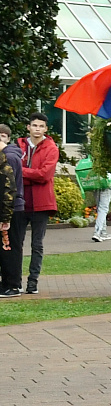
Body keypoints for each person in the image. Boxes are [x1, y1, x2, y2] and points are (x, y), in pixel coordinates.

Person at [7, 114, 58, 296]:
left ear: (45, 129)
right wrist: (29, 173)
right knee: (16, 243)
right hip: (20, 202)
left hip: (42, 203)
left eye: (41, 126)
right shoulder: (18, 146)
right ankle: (15, 281)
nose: (37, 129)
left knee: (37, 244)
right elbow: (11, 170)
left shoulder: (51, 148)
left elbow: (44, 175)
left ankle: (33, 282)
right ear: (28, 127)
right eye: (34, 125)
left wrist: (22, 172)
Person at [0, 125, 20, 298]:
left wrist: (5, 216)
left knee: (8, 247)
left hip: (10, 210)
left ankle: (12, 285)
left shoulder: (9, 159)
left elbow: (9, 190)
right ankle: (6, 283)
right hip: (7, 209)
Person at [78, 148, 111, 242]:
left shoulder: (95, 153)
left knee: (100, 208)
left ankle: (103, 232)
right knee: (103, 208)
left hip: (95, 182)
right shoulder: (110, 153)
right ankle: (97, 232)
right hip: (107, 183)